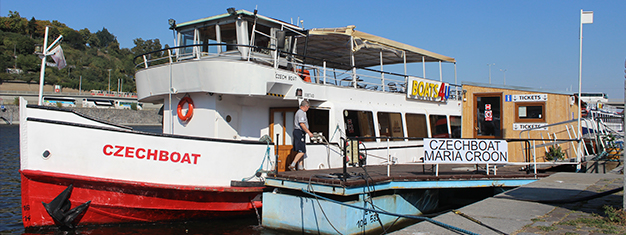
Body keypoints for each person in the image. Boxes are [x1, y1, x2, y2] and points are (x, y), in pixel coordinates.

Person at [290, 100, 313, 171]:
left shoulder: (301, 112)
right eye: (308, 107)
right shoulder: (301, 113)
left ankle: (300, 166)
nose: (308, 108)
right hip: (299, 132)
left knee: (301, 150)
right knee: (302, 150)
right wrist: (309, 132)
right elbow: (302, 124)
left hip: (300, 132)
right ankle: (293, 164)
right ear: (305, 106)